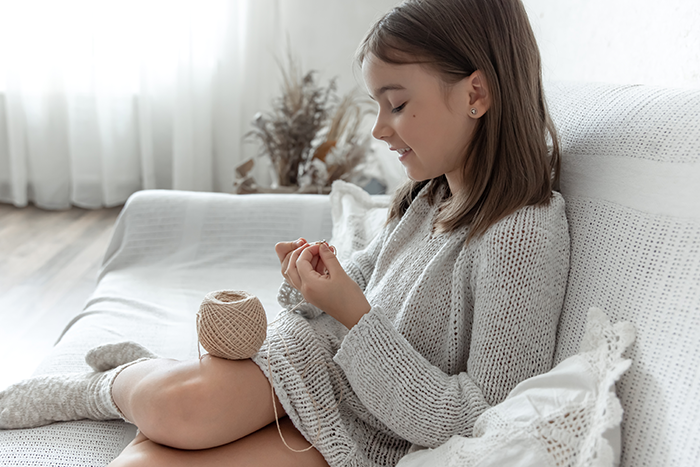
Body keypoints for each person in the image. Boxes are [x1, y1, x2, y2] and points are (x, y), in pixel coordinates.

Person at [0, 0, 570, 465]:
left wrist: (353, 314)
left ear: (476, 94)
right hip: (316, 363)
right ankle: (105, 387)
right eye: (377, 105)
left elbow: (487, 417)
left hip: (371, 424)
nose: (378, 128)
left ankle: (156, 381)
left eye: (396, 104)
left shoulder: (523, 232)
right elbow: (366, 280)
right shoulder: (430, 195)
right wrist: (319, 279)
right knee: (185, 410)